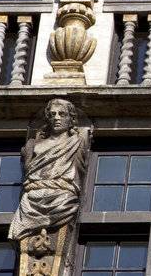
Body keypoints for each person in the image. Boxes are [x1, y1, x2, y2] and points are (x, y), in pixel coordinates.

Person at [8, 98, 90, 243]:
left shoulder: (77, 142)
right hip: (31, 198)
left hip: (63, 197)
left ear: (71, 119)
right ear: (47, 118)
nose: (57, 118)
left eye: (62, 114)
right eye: (52, 114)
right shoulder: (33, 145)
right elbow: (28, 170)